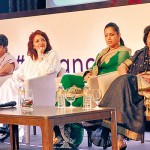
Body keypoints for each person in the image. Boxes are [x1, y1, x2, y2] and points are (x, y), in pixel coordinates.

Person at [53, 22, 131, 149]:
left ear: (118, 35)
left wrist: (95, 78)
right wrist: (87, 75)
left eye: (112, 35)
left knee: (76, 101)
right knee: (66, 79)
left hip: (104, 85)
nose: (109, 38)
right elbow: (93, 67)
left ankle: (70, 137)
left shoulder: (124, 52)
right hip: (92, 81)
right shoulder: (102, 52)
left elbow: (117, 71)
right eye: (106, 35)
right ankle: (65, 125)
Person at [0, 30, 61, 141]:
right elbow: (19, 73)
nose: (40, 43)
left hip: (42, 91)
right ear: (32, 45)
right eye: (37, 41)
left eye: (43, 40)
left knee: (20, 91)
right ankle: (5, 122)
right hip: (27, 87)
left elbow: (48, 71)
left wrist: (41, 55)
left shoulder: (52, 54)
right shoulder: (30, 58)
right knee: (9, 83)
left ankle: (11, 126)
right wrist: (19, 80)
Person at [97, 25, 150, 150]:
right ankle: (120, 140)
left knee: (123, 86)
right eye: (149, 37)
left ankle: (102, 113)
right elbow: (122, 67)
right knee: (123, 83)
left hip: (146, 86)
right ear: (146, 39)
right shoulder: (139, 53)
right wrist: (129, 78)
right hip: (134, 84)